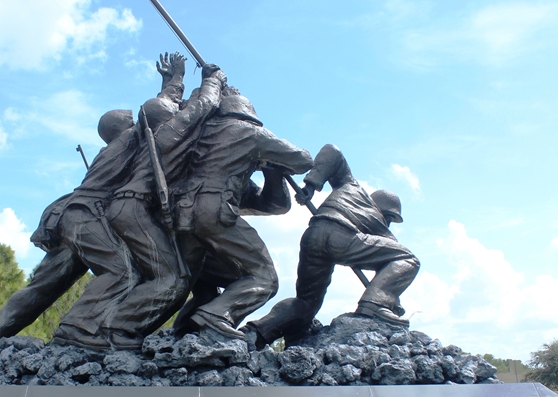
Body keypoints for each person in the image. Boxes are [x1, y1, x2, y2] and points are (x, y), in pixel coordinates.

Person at [0, 108, 141, 356]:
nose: (136, 122)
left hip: (71, 217)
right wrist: (174, 80)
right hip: (85, 216)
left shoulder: (112, 149)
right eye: (131, 120)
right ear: (121, 127)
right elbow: (156, 114)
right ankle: (78, 328)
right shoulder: (126, 139)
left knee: (42, 288)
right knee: (123, 271)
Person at [91, 61, 227, 349]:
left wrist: (174, 81)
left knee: (158, 274)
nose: (179, 111)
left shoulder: (142, 137)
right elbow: (204, 104)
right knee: (173, 277)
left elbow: (164, 107)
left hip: (128, 208)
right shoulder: (172, 130)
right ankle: (118, 328)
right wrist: (213, 79)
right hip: (134, 208)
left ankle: (116, 327)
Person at [247, 143, 420, 348]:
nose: (389, 223)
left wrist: (311, 185)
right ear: (387, 213)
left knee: (305, 303)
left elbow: (332, 152)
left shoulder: (349, 185)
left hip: (313, 235)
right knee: (408, 259)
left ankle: (255, 334)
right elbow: (394, 261)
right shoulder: (380, 224)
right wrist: (388, 300)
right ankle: (374, 306)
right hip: (342, 237)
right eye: (390, 218)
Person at [173, 87, 312, 340]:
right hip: (213, 212)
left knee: (203, 278)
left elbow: (273, 205)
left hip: (180, 215)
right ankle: (216, 316)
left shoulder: (200, 140)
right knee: (264, 277)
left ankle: (185, 330)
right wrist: (272, 155)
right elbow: (303, 160)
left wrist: (271, 169)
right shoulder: (250, 133)